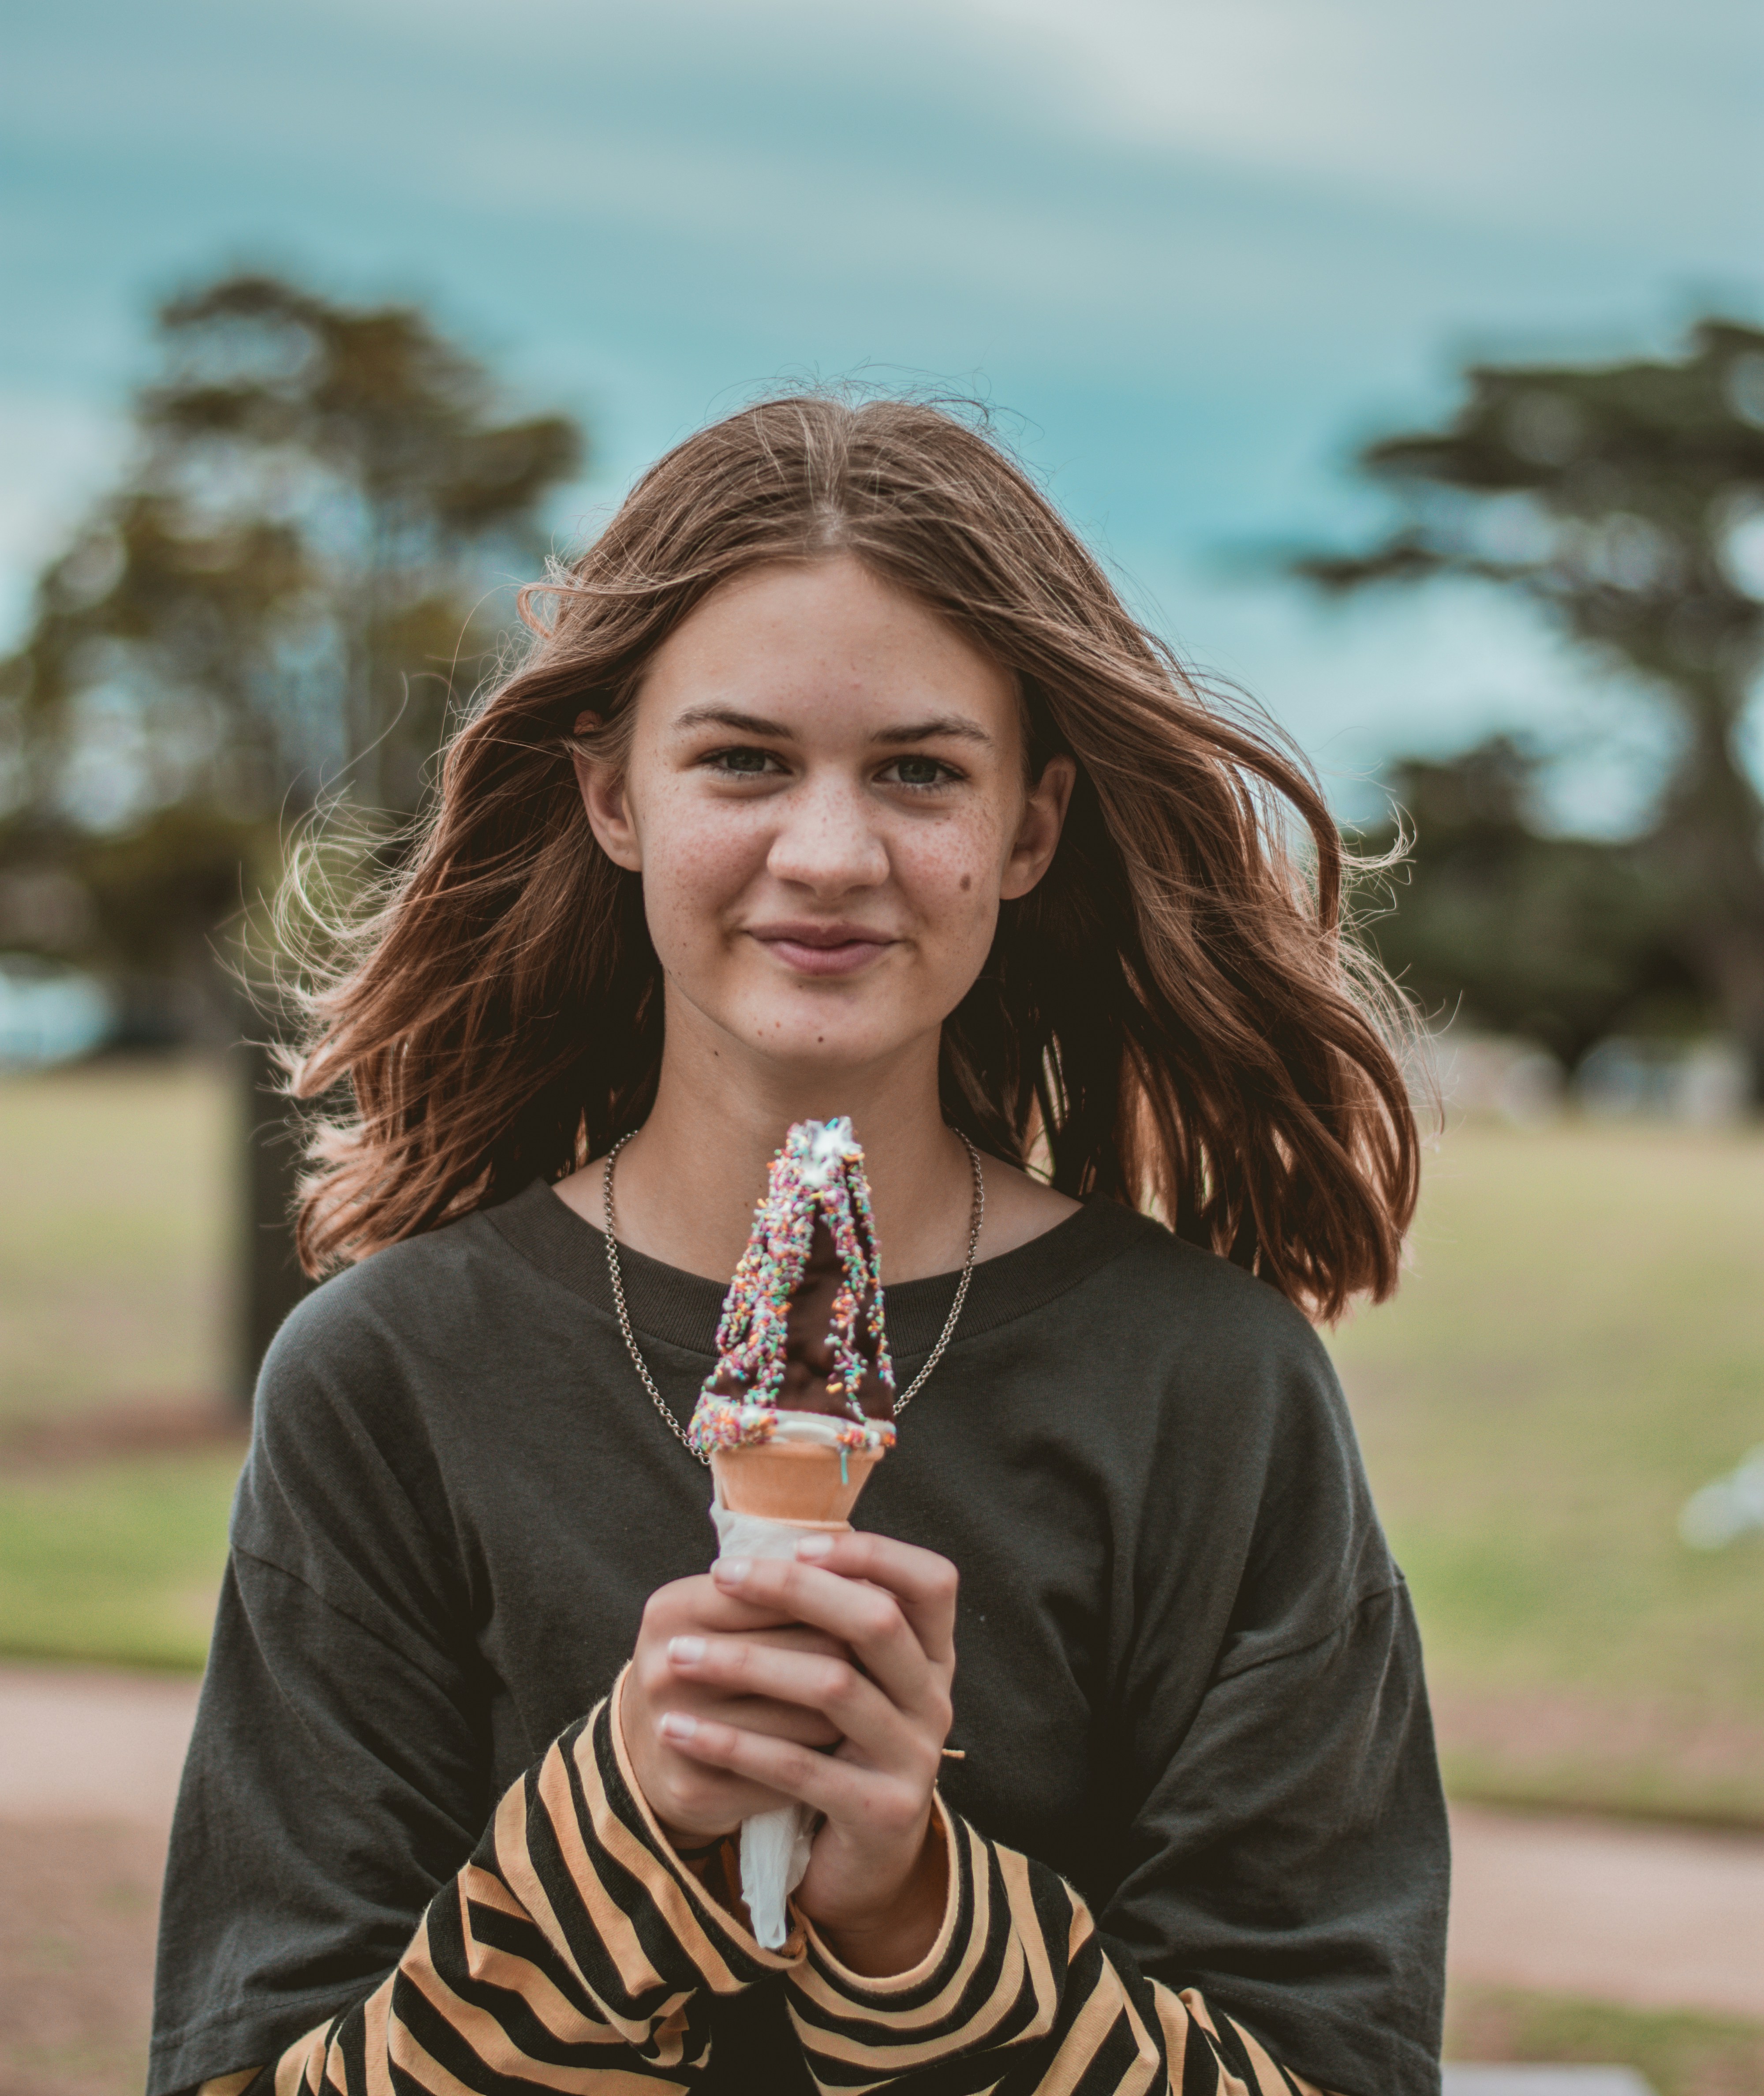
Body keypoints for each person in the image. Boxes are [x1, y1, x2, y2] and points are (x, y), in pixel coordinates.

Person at [150, 396, 1447, 2096]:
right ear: (613, 798)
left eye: (918, 770)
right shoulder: (390, 1382)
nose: (828, 857)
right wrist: (621, 1826)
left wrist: (919, 1915)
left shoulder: (1212, 1387)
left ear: (1032, 831)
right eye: (744, 760)